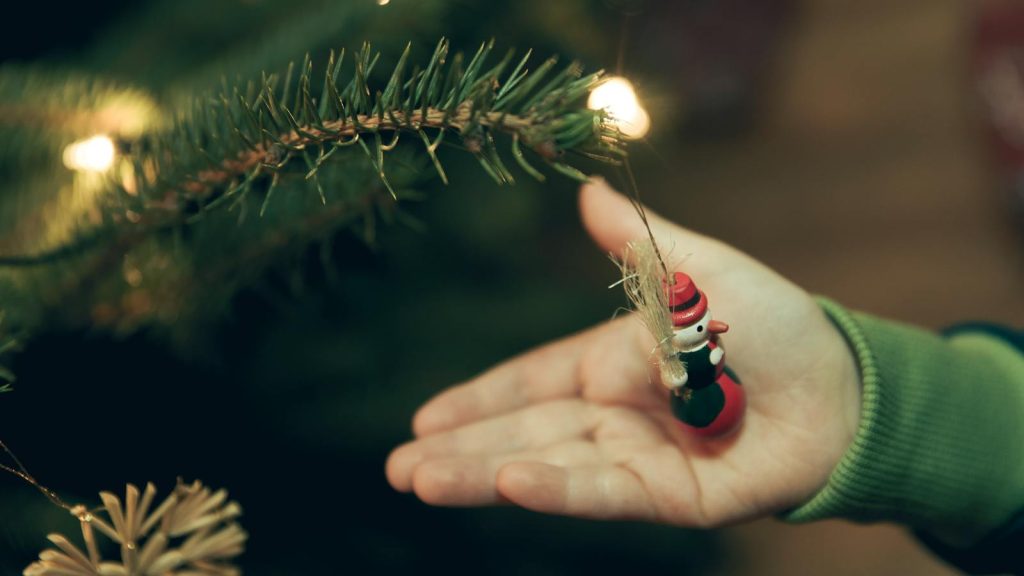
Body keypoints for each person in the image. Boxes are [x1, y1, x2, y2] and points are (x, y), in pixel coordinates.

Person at [385, 178, 1024, 574]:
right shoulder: (683, 355)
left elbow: (708, 363)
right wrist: (874, 402)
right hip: (705, 397)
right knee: (703, 399)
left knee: (710, 397)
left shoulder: (702, 345)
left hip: (714, 396)